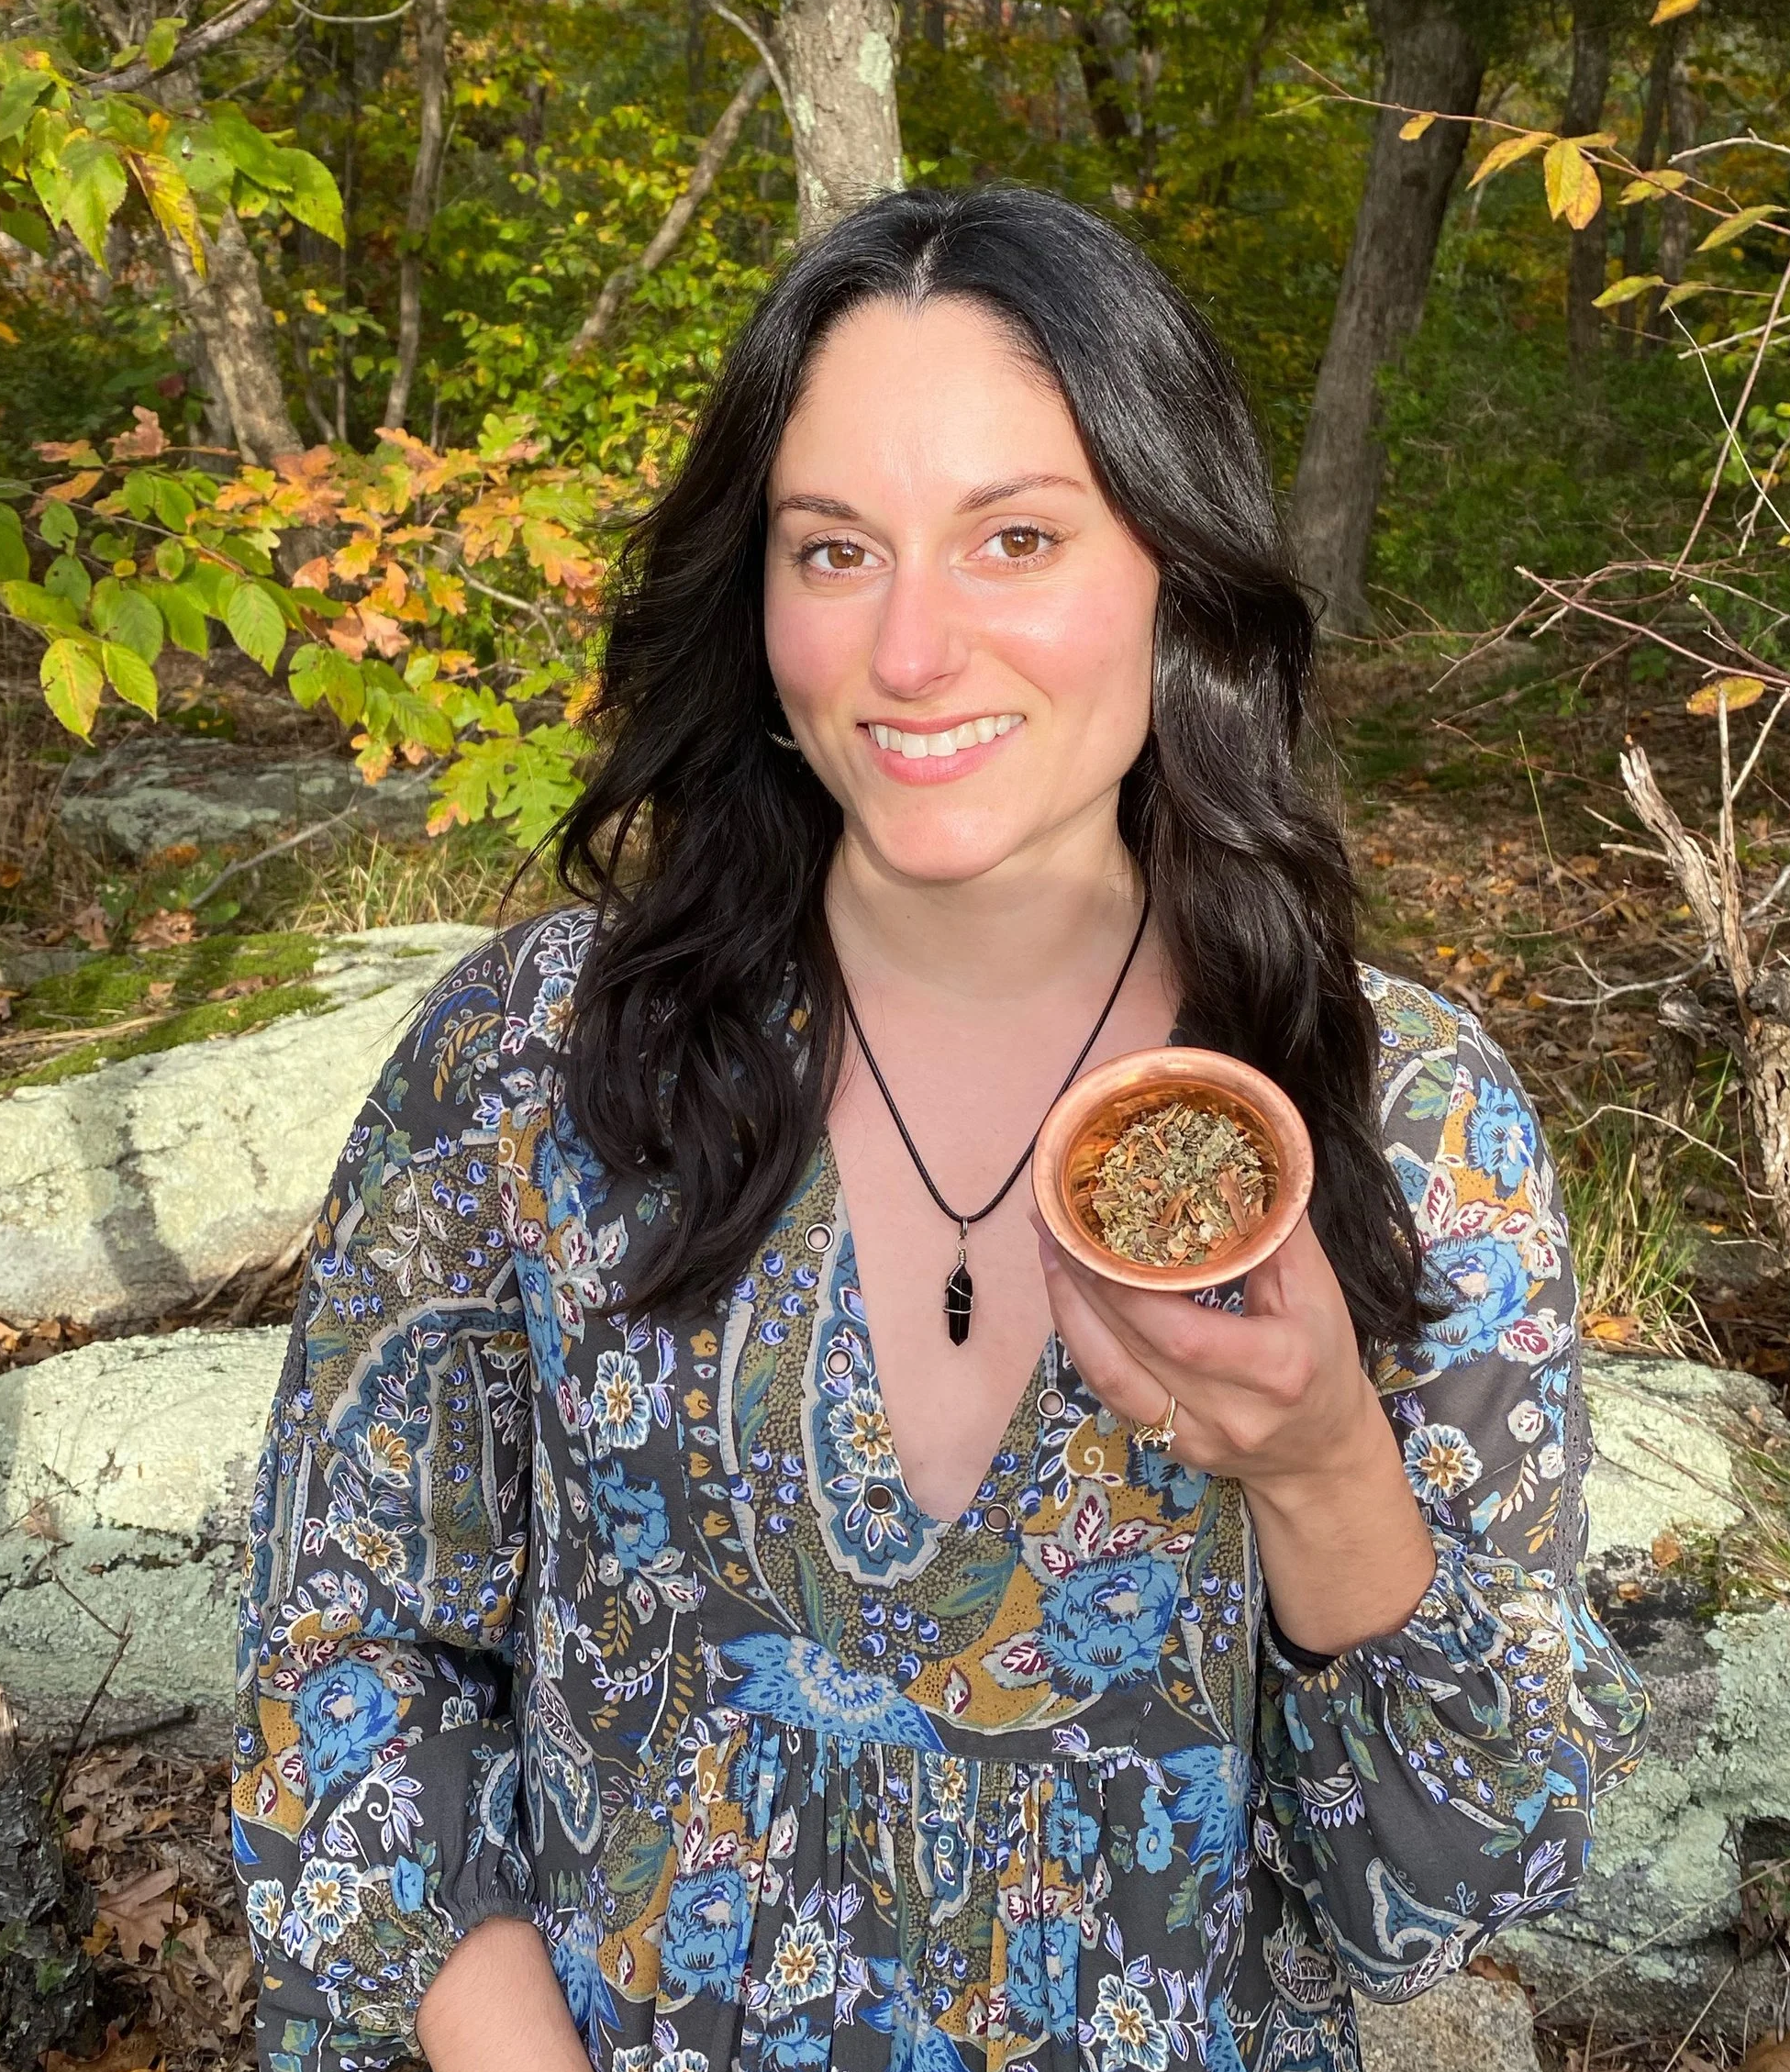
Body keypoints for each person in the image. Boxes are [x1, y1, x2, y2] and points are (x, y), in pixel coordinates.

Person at [231, 184, 1648, 2072]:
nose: (910, 650)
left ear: (1174, 565)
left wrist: (1321, 1471)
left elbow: (1454, 1887)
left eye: (1015, 537)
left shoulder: (1404, 1115)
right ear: (754, 591)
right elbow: (342, 1657)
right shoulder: (531, 1061)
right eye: (834, 553)